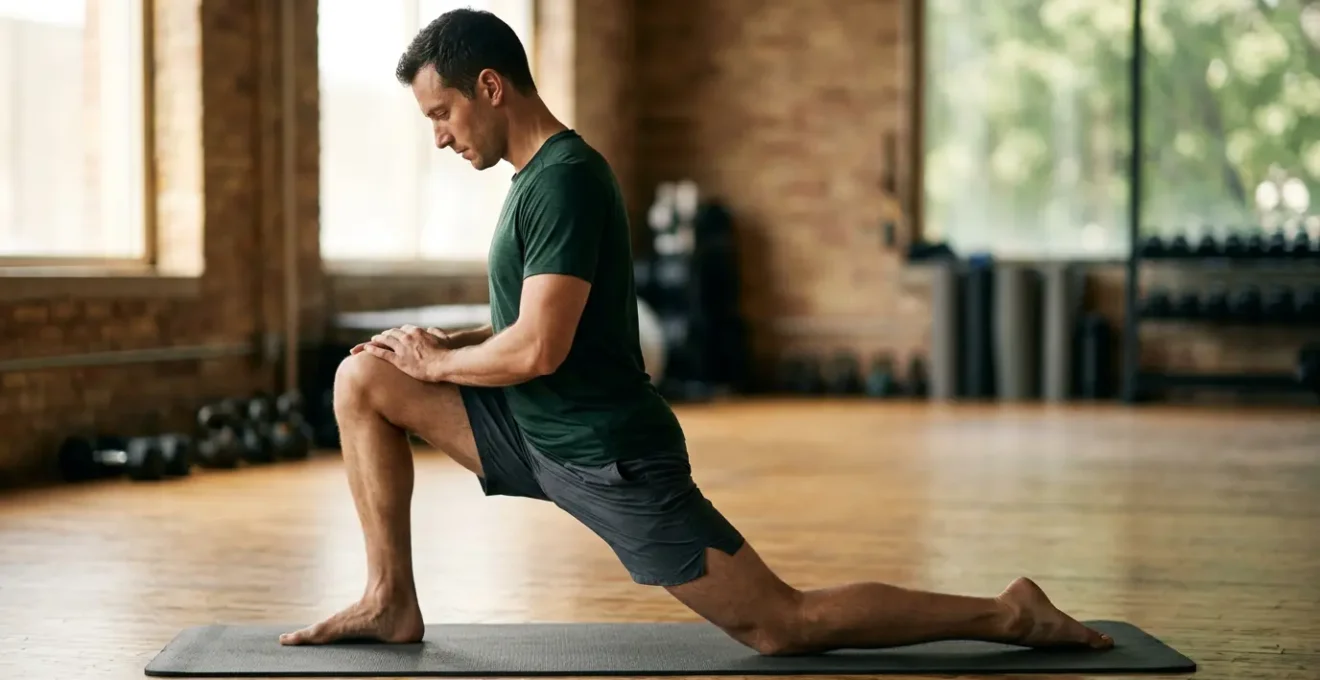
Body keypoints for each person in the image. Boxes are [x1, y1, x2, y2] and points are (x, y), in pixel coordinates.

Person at [279, 9, 1114, 656]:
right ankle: (391, 600)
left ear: (492, 86)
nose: (439, 136)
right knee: (365, 380)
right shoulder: (536, 180)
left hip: (607, 455)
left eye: (444, 112)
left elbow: (539, 348)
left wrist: (443, 363)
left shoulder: (565, 181)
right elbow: (524, 326)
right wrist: (444, 347)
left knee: (781, 625)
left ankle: (1009, 613)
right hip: (535, 431)